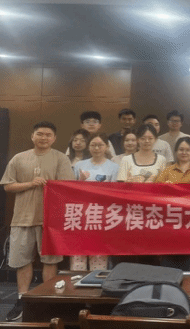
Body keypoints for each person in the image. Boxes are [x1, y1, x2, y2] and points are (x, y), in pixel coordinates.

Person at [1, 122, 74, 322]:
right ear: (32, 136)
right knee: (22, 261)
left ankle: (47, 299)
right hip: (22, 218)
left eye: (48, 135)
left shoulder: (61, 158)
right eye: (39, 134)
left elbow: (67, 186)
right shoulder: (19, 158)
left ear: (54, 138)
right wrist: (30, 184)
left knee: (50, 261)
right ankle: (22, 299)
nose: (43, 138)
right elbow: (8, 186)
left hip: (50, 220)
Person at [156, 136, 190, 272]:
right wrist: (164, 187)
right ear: (176, 151)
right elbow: (155, 193)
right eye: (181, 149)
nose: (184, 152)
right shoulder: (167, 171)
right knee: (170, 252)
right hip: (171, 220)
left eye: (187, 150)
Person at [71, 133, 119, 272]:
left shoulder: (114, 167)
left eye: (100, 145)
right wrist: (80, 181)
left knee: (98, 252)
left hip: (102, 214)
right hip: (81, 213)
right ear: (88, 146)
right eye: (93, 145)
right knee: (78, 251)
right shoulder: (79, 165)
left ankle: (96, 280)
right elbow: (71, 190)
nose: (96, 148)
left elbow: (115, 193)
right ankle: (76, 281)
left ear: (107, 147)